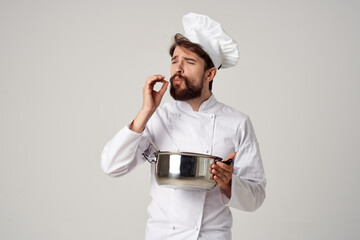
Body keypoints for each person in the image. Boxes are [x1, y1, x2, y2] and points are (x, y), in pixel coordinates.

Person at [101, 12, 266, 240]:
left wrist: (229, 183)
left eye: (189, 62)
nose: (177, 69)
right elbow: (112, 166)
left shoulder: (237, 122)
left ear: (210, 73)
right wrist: (145, 112)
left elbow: (256, 197)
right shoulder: (159, 117)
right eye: (174, 61)